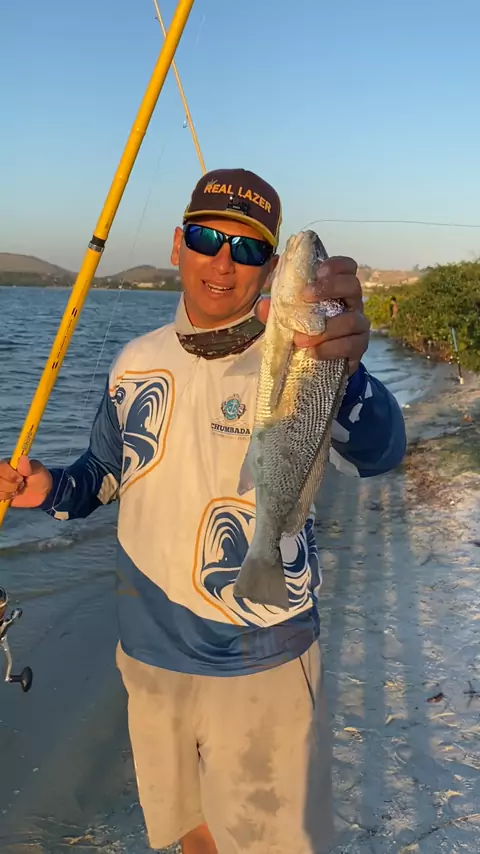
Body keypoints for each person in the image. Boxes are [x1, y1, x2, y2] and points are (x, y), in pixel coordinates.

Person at [0, 169, 406, 854]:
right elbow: (104, 475)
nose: (223, 261)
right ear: (177, 245)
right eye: (206, 238)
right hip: (148, 653)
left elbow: (381, 450)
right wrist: (48, 490)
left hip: (261, 656)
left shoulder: (307, 356)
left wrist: (345, 370)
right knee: (192, 835)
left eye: (247, 249)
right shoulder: (133, 362)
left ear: (272, 270)